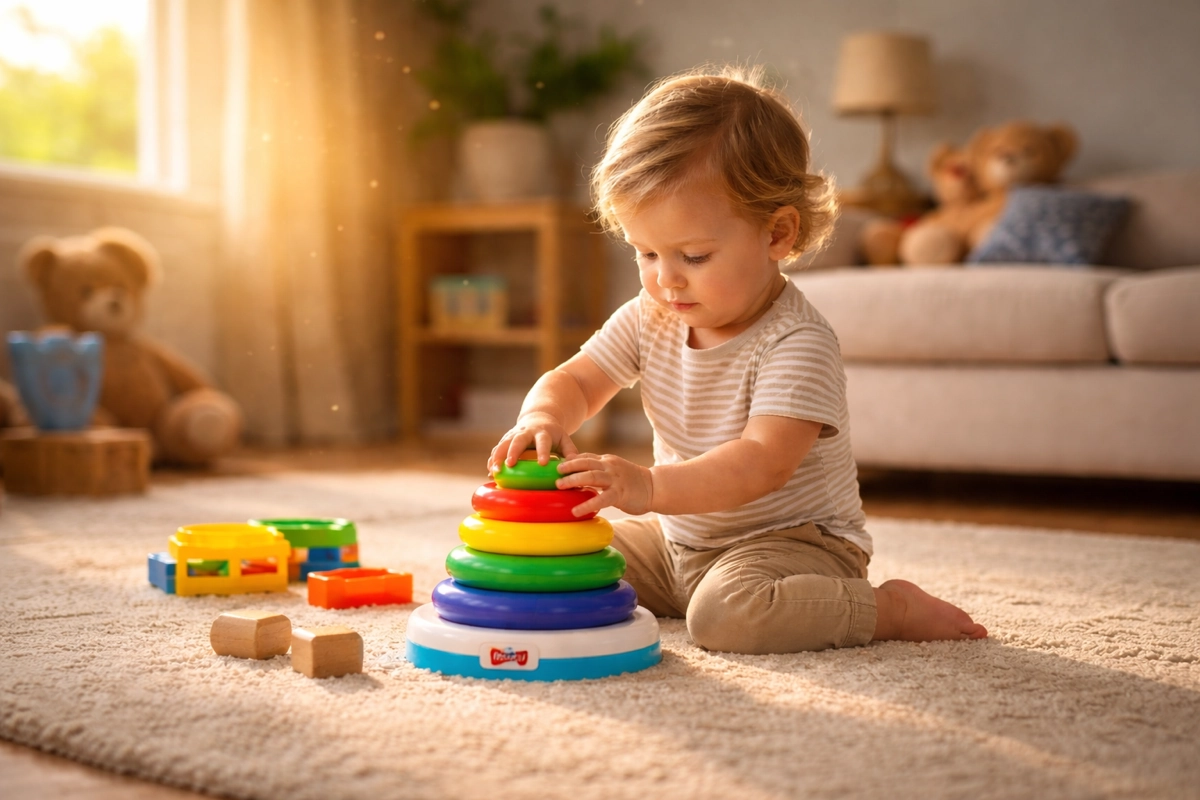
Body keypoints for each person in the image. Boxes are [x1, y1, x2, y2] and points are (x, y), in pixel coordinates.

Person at [487, 66, 987, 654]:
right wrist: (543, 417)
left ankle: (887, 608)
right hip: (678, 541)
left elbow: (759, 464)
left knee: (726, 617)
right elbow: (576, 380)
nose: (665, 279)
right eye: (646, 253)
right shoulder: (651, 316)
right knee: (555, 558)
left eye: (694, 256)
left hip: (795, 545)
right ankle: (683, 587)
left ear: (777, 234)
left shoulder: (797, 341)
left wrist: (646, 486)